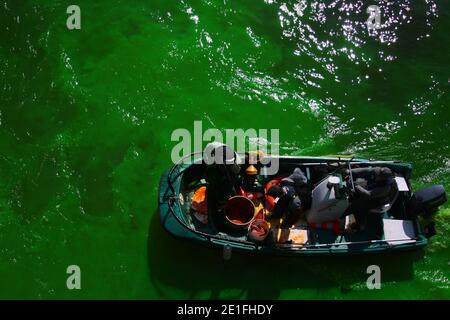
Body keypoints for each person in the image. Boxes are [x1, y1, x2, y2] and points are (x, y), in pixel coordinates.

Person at [344, 166, 396, 231]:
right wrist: (350, 171)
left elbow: (368, 194)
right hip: (372, 190)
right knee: (355, 194)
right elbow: (366, 170)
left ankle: (360, 226)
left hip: (377, 201)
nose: (376, 175)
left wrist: (356, 185)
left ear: (382, 178)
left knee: (356, 206)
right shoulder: (378, 171)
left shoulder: (385, 189)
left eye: (378, 176)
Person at [204, 143, 241, 230]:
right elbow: (209, 173)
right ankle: (218, 205)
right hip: (215, 165)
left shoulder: (236, 160)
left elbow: (231, 180)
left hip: (224, 168)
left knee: (228, 183)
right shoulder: (209, 154)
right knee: (214, 183)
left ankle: (221, 205)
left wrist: (223, 199)